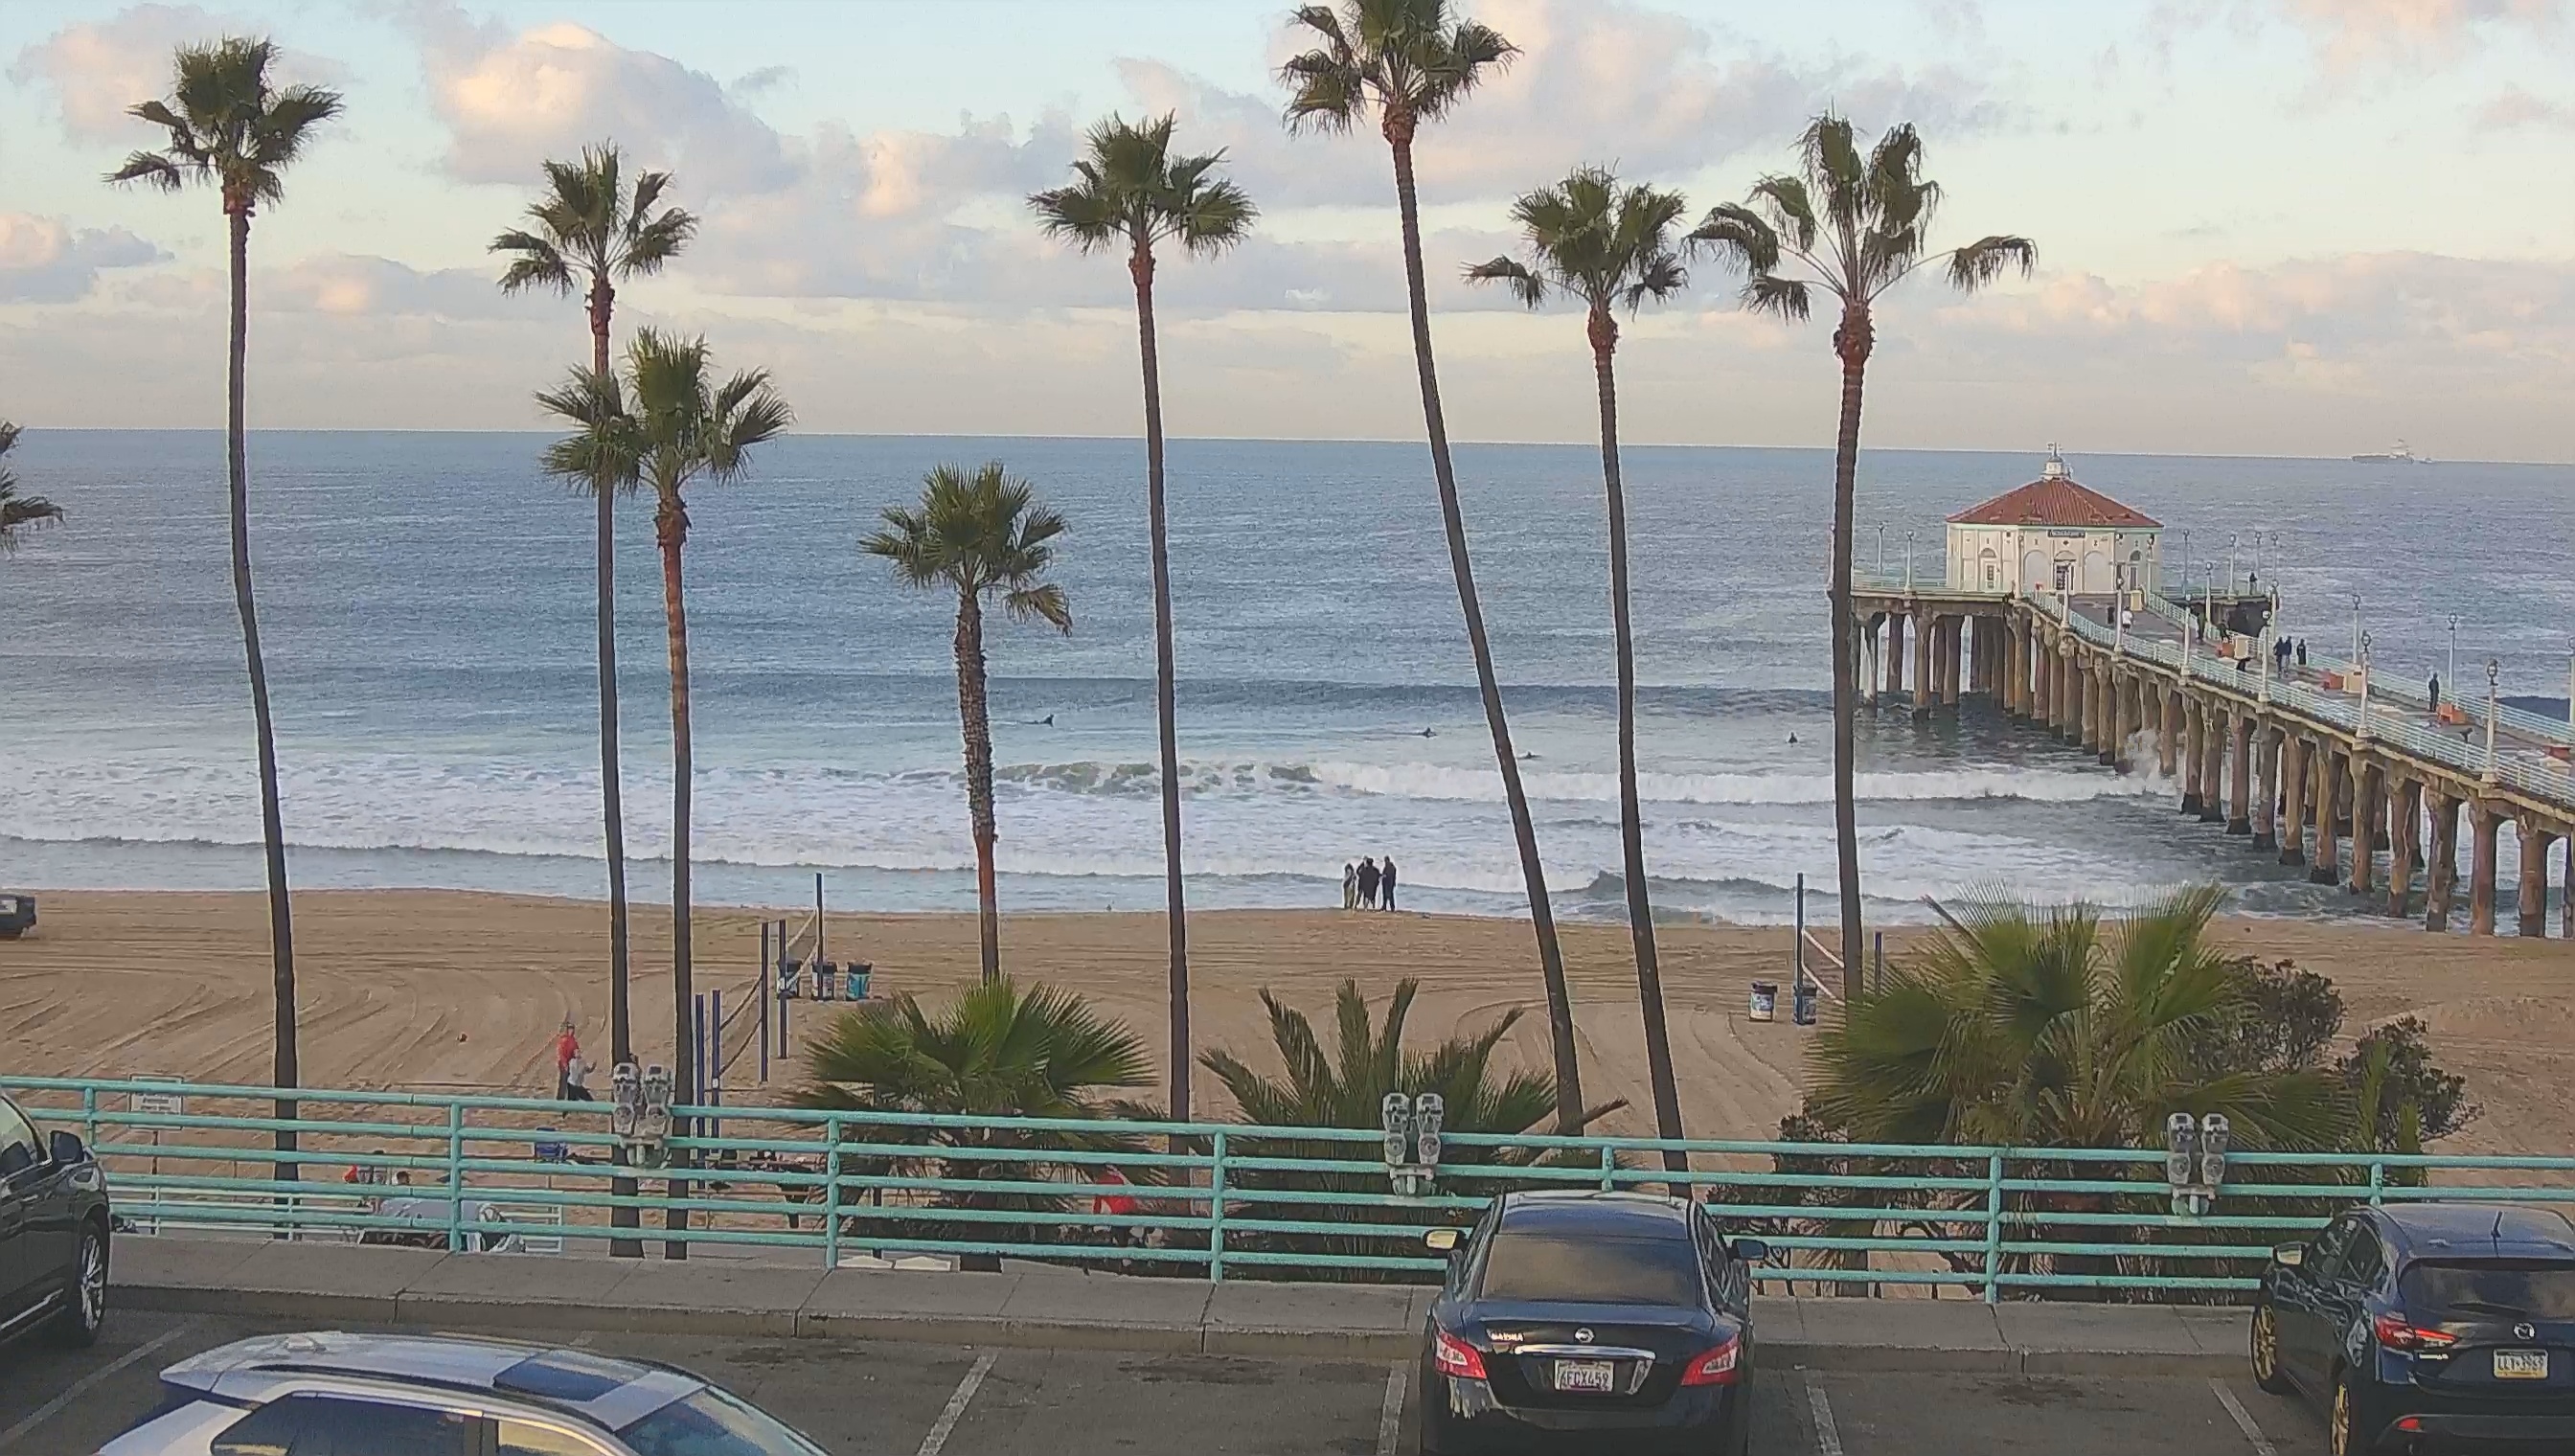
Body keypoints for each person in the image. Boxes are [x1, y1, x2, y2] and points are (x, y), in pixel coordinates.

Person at [553, 1019, 580, 1100]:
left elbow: (575, 1050)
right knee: (563, 1081)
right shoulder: (563, 1040)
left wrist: (576, 1056)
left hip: (571, 1065)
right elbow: (560, 1053)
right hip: (563, 1064)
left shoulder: (573, 1040)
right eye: (570, 1028)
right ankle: (560, 1098)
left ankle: (572, 1098)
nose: (571, 1030)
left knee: (572, 1081)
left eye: (572, 1028)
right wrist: (564, 1064)